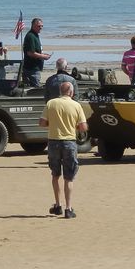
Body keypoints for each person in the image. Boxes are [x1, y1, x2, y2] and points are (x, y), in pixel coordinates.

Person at [40, 80, 87, 219]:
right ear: (71, 92)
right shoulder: (76, 105)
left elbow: (42, 123)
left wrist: (53, 124)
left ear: (60, 92)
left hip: (54, 141)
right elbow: (83, 127)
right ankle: (68, 208)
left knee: (55, 174)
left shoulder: (51, 103)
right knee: (69, 176)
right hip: (69, 142)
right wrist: (74, 126)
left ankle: (57, 204)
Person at [21, 17, 51, 87]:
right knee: (35, 89)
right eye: (39, 26)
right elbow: (30, 53)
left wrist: (43, 54)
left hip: (34, 68)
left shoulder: (35, 35)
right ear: (33, 26)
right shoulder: (31, 36)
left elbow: (35, 50)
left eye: (42, 26)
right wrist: (43, 56)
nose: (41, 28)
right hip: (31, 69)